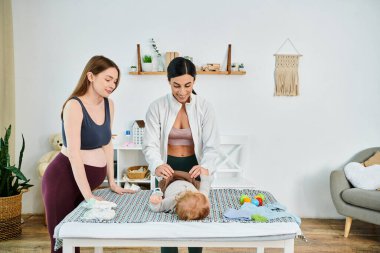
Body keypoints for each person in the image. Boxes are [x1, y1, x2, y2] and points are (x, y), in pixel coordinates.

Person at [42, 55, 133, 253]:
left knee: (77, 237)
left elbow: (107, 143)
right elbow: (74, 154)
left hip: (85, 182)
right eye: (108, 79)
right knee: (62, 240)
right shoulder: (74, 106)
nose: (112, 85)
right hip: (62, 179)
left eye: (115, 81)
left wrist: (113, 182)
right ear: (91, 76)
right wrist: (89, 197)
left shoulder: (109, 105)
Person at [143, 57, 220, 253]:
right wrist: (157, 164)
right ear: (168, 81)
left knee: (195, 219)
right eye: (176, 85)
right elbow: (150, 145)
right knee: (166, 227)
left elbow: (212, 146)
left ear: (194, 81)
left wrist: (205, 167)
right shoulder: (157, 107)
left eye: (188, 85)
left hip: (195, 170)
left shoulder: (205, 107)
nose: (182, 91)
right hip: (167, 171)